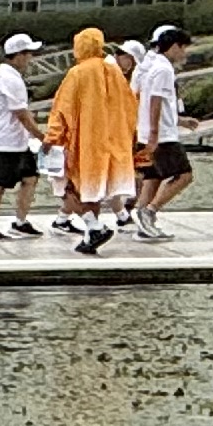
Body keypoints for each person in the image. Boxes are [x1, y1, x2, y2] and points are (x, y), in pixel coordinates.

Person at [40, 27, 135, 255]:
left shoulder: (78, 73)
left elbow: (62, 110)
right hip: (111, 142)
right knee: (94, 191)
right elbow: (131, 106)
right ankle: (91, 232)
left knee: (68, 187)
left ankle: (94, 227)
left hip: (82, 143)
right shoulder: (113, 71)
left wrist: (51, 138)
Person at [0, 31, 48, 242]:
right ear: (18, 55)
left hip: (17, 141)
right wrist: (42, 136)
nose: (31, 59)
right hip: (6, 141)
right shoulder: (9, 78)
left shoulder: (11, 76)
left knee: (30, 178)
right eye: (28, 54)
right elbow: (22, 115)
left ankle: (20, 222)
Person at [131, 23, 195, 239]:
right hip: (161, 136)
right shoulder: (163, 69)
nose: (184, 52)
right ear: (173, 46)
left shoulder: (151, 66)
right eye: (182, 47)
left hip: (147, 131)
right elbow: (155, 101)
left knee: (153, 176)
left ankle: (142, 216)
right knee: (184, 175)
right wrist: (155, 135)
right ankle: (150, 211)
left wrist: (180, 121)